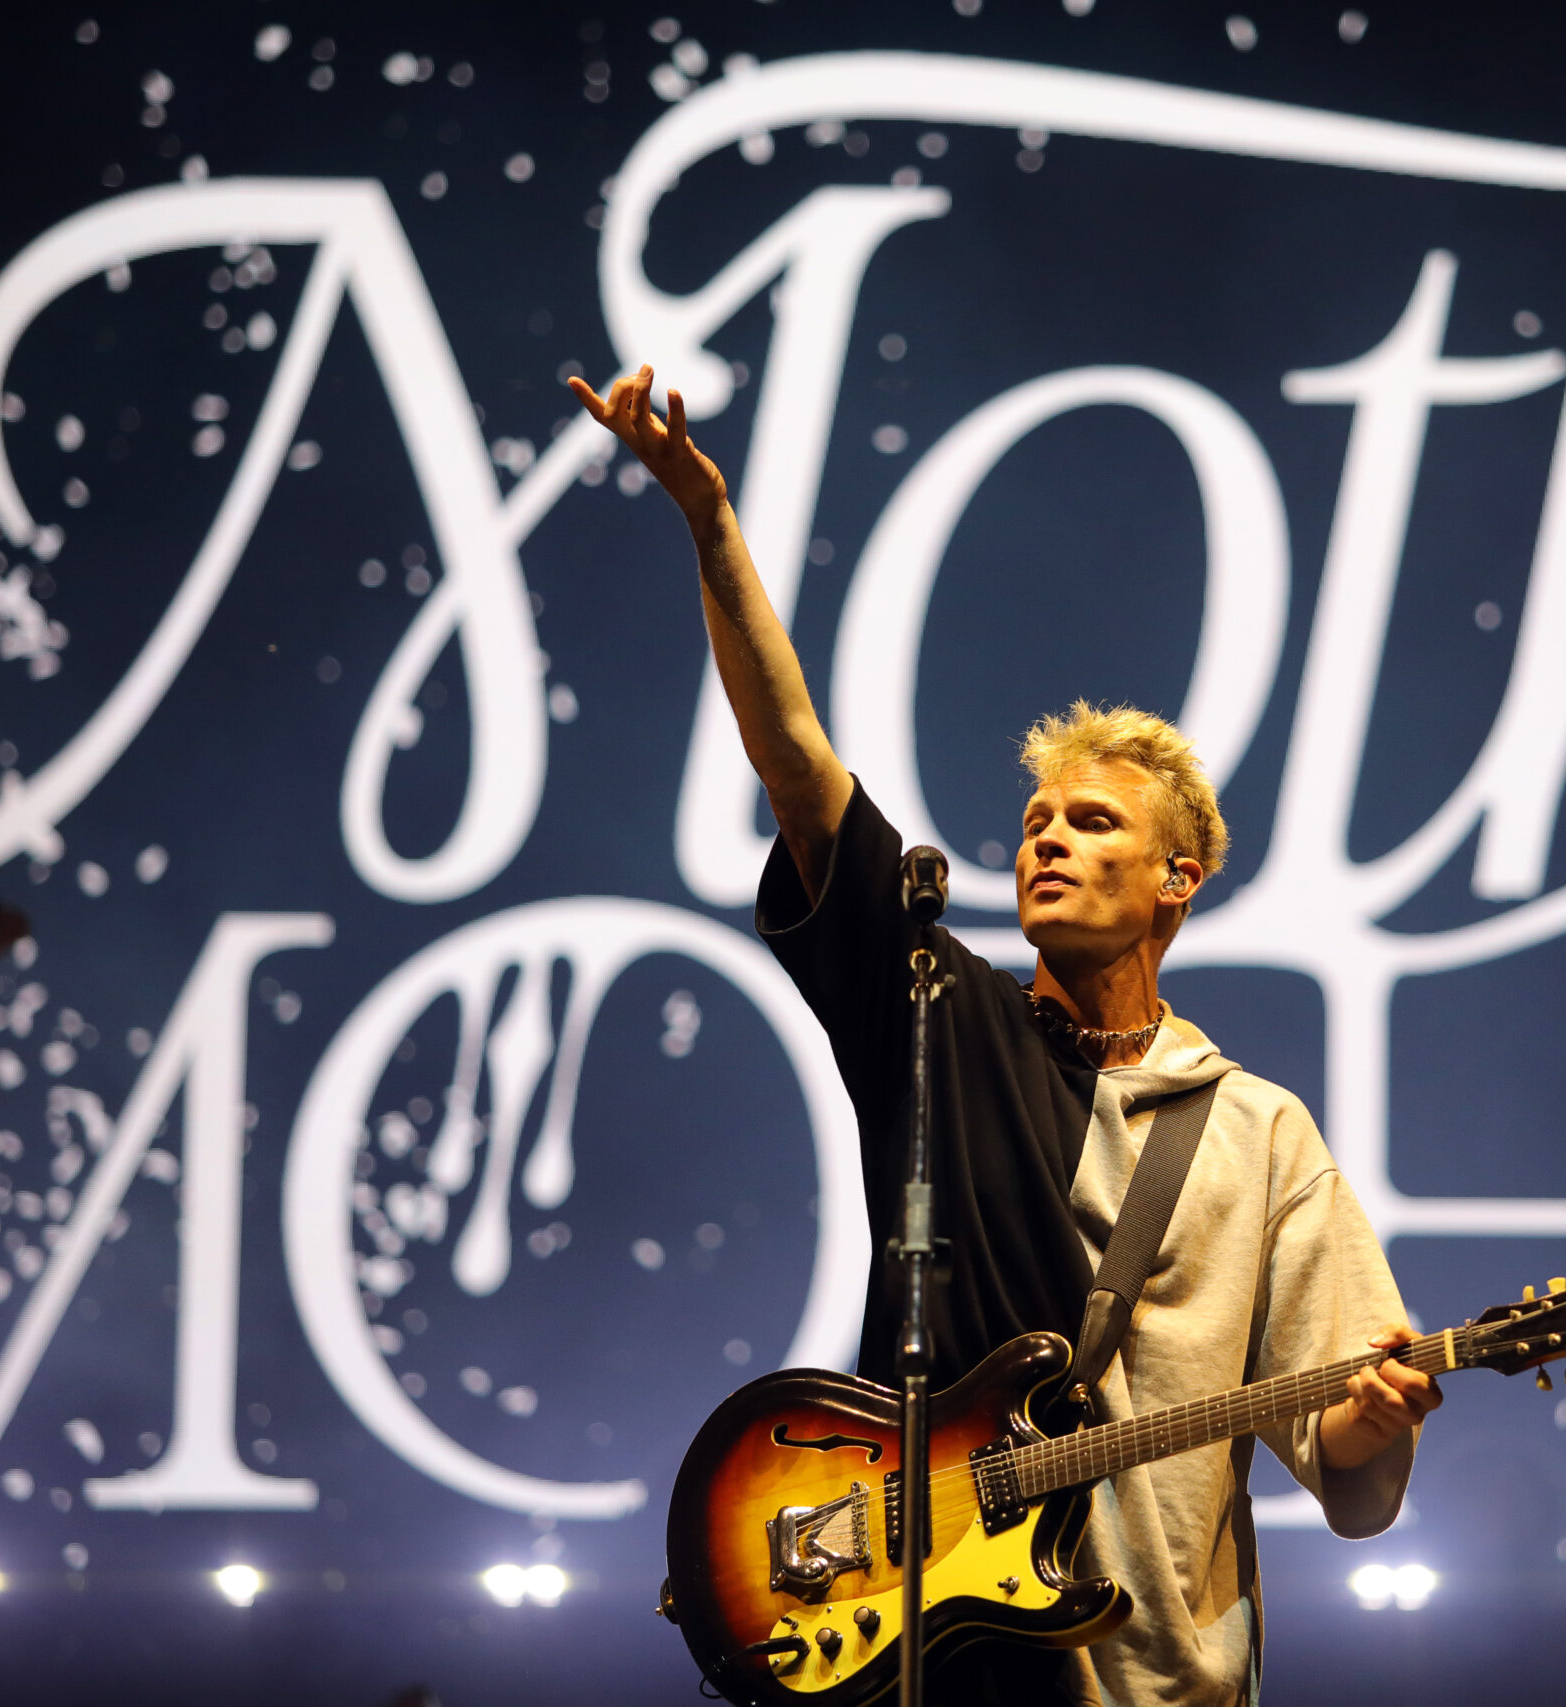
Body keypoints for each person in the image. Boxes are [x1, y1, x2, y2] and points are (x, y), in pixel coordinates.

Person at [573, 363, 1439, 1707]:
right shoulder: (936, 1019)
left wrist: (1373, 1420)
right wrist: (710, 527)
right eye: (1038, 822)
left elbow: (1357, 1487)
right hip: (932, 1655)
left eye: (1094, 825)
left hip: (1158, 1678)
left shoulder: (1263, 1133)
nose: (1048, 838)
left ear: (1179, 879)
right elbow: (800, 770)